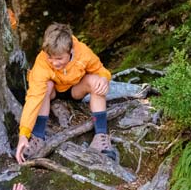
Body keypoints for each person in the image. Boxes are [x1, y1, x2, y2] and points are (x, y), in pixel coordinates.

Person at [15, 22, 117, 164]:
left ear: (70, 51)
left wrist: (105, 79)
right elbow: (33, 97)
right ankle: (38, 137)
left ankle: (101, 136)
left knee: (96, 81)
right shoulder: (42, 62)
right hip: (53, 92)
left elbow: (100, 70)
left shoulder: (83, 52)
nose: (54, 63)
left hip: (75, 89)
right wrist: (23, 134)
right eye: (50, 57)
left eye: (59, 59)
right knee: (46, 85)